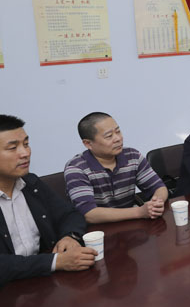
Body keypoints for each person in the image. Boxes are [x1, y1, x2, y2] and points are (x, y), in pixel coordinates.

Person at [0, 115, 97, 286]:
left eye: (26, 144)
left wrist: (70, 236)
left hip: (43, 283)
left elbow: (70, 214)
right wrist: (56, 261)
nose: (25, 153)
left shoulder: (31, 184)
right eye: (13, 147)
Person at [64, 112, 168, 223]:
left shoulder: (132, 156)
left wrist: (157, 203)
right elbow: (89, 214)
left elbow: (158, 187)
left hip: (131, 223)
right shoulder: (76, 168)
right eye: (109, 136)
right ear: (88, 143)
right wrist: (139, 212)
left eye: (118, 131)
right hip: (96, 230)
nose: (118, 138)